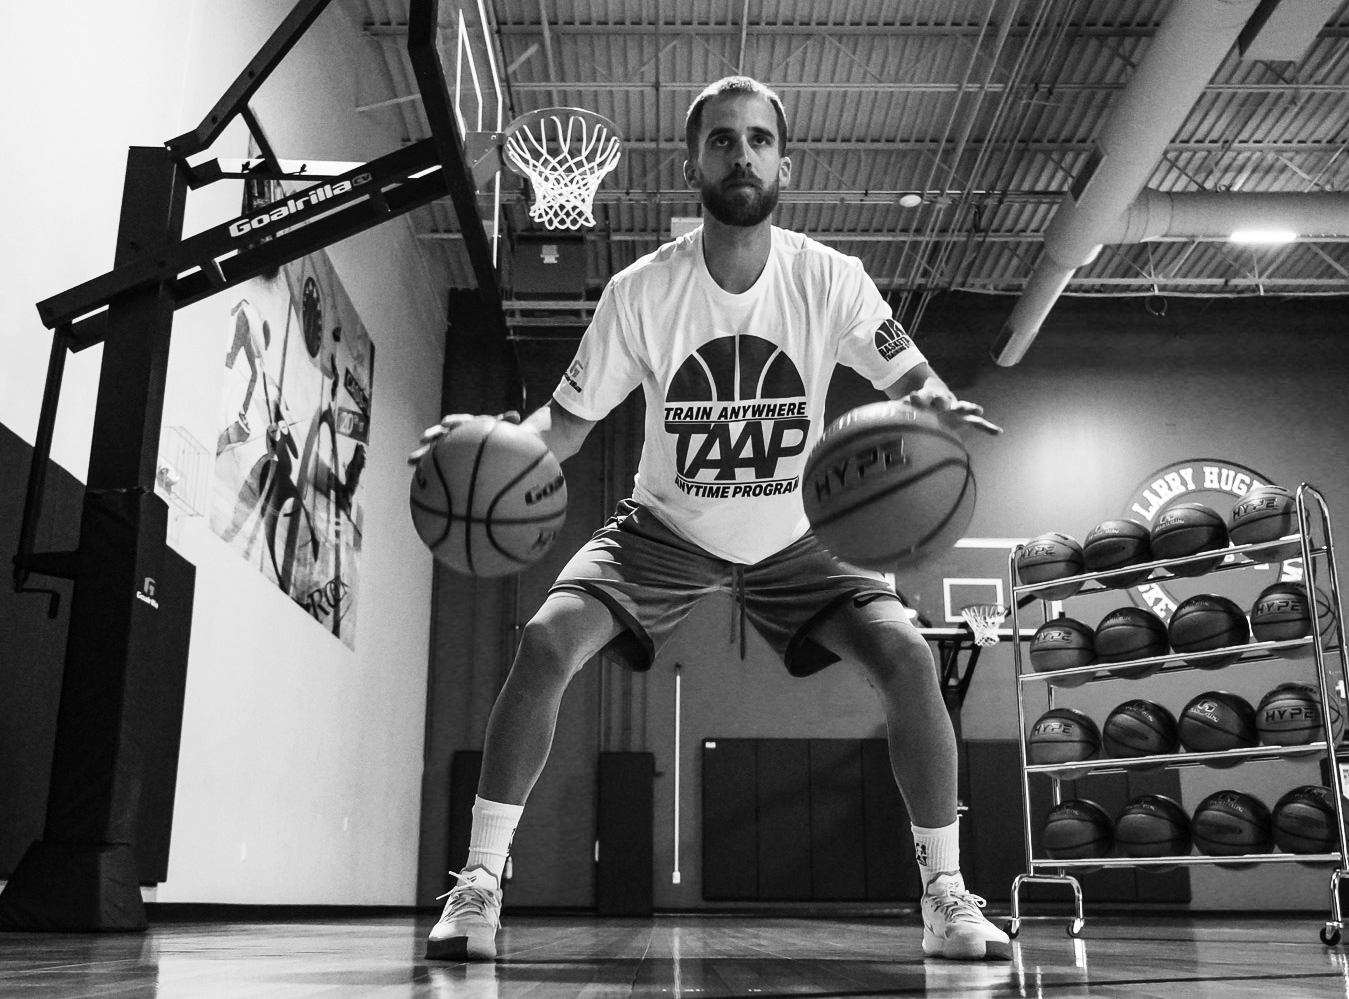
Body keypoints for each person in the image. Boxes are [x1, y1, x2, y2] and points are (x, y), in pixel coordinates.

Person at [412, 76, 1006, 962]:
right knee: (543, 641)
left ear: (784, 164)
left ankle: (946, 894)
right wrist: (497, 445)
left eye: (759, 140)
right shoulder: (641, 291)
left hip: (800, 534)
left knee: (910, 657)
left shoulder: (829, 278)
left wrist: (941, 409)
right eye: (723, 140)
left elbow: (912, 380)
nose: (742, 155)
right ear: (692, 160)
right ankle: (480, 886)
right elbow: (564, 428)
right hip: (664, 530)